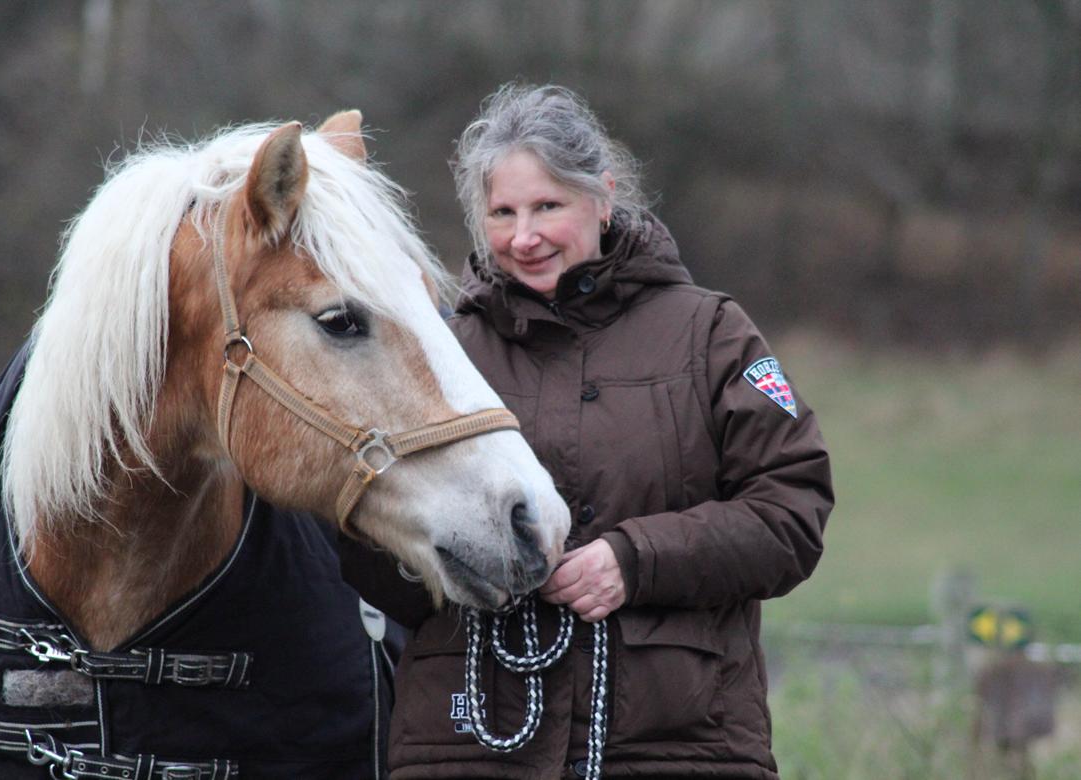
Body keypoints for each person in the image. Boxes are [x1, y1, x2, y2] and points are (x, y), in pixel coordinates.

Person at [339, 83, 833, 779]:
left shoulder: (714, 335)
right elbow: (372, 552)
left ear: (602, 198)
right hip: (467, 748)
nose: (524, 236)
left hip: (678, 746)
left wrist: (634, 562)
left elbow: (791, 512)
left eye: (547, 206)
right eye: (502, 213)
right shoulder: (439, 351)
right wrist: (477, 558)